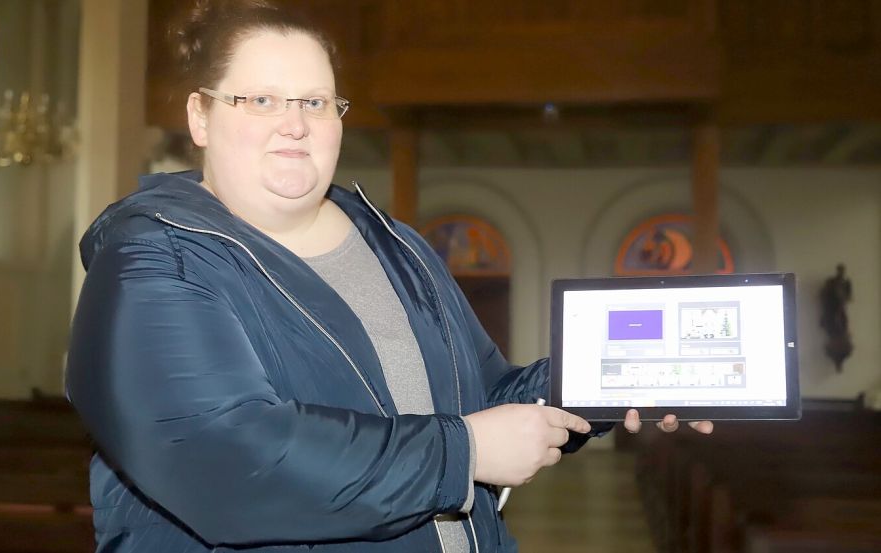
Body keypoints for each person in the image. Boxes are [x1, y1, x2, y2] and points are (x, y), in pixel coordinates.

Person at [64, 1, 713, 551]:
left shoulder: (394, 243)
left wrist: (623, 377)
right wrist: (463, 454)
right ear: (200, 116)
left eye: (315, 101)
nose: (294, 123)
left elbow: (488, 399)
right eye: (260, 98)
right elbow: (228, 459)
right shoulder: (153, 257)